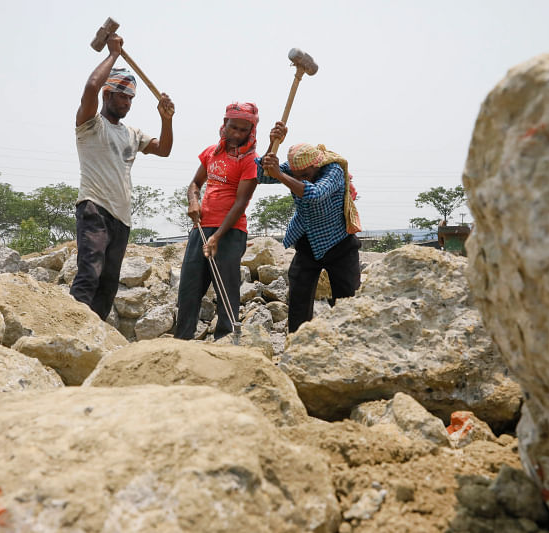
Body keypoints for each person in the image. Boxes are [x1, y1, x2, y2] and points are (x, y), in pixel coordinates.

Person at [70, 32, 175, 320]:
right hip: (94, 208)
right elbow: (91, 87)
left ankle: (96, 333)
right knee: (89, 273)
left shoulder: (132, 134)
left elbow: (164, 149)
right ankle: (72, 327)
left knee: (108, 285)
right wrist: (113, 54)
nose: (127, 103)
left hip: (121, 219)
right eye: (122, 96)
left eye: (131, 98)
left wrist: (167, 120)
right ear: (108, 94)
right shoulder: (91, 124)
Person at [258, 122, 361, 333]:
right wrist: (272, 145)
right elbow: (261, 174)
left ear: (316, 165)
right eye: (296, 175)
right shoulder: (296, 169)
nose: (299, 178)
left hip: (339, 243)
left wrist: (280, 175)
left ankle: (349, 343)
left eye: (304, 175)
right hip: (307, 243)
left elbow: (314, 194)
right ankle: (297, 344)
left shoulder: (333, 170)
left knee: (347, 300)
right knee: (299, 300)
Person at [174, 102, 260, 340]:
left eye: (243, 130)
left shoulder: (251, 161)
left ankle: (225, 342)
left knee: (226, 290)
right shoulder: (211, 152)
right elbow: (195, 184)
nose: (236, 134)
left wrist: (217, 236)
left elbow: (240, 202)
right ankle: (182, 341)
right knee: (189, 289)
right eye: (233, 127)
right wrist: (193, 201)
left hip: (230, 232)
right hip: (201, 228)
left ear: (251, 131)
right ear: (224, 124)